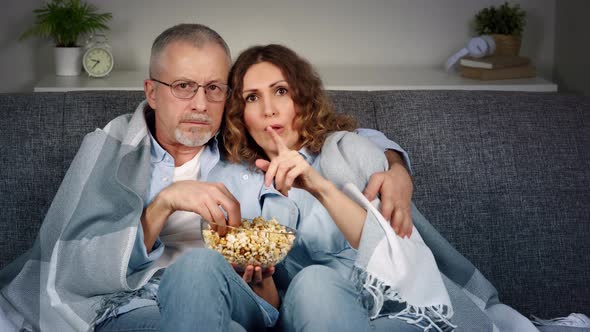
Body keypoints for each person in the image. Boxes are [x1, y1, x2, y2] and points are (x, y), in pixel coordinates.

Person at [0, 24, 414, 332]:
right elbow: (73, 263)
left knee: (202, 273)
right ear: (152, 92)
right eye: (184, 86)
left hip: (234, 294)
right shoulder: (113, 147)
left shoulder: (241, 149)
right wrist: (164, 203)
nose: (201, 104)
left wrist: (395, 166)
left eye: (215, 88)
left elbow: (329, 137)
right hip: (132, 301)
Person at [209, 44, 541, 332]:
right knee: (315, 282)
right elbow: (269, 304)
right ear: (240, 115)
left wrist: (319, 185)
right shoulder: (234, 184)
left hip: (391, 308)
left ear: (302, 97)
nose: (269, 108)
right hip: (308, 313)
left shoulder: (348, 152)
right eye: (252, 97)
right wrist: (261, 282)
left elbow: (395, 251)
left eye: (280, 90)